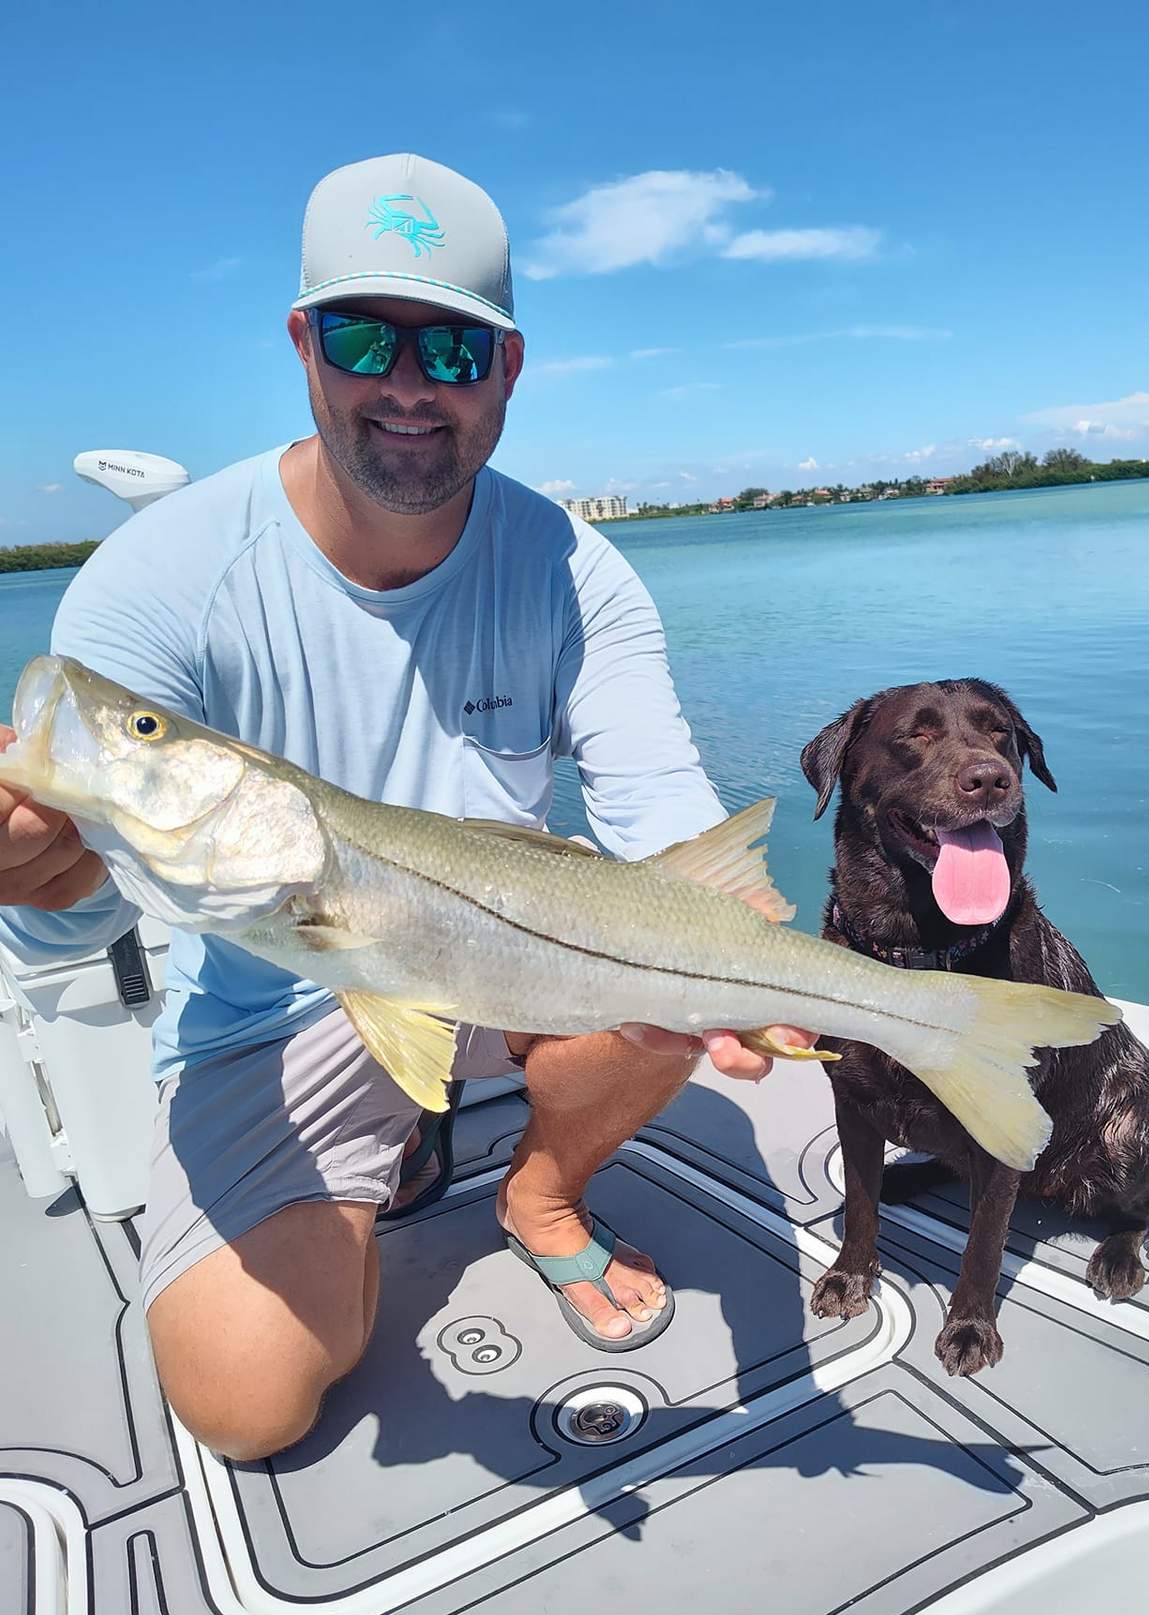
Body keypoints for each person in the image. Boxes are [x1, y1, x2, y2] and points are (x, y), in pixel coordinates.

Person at [0, 153, 810, 1462]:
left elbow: (664, 812)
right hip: (269, 1003)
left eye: (455, 349)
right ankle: (377, 1159)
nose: (409, 386)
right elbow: (64, 922)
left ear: (510, 366)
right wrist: (35, 879)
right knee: (247, 1406)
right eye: (366, 336)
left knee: (667, 968)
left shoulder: (570, 568)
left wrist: (767, 961)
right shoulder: (151, 589)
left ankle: (540, 1197)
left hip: (505, 959)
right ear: (303, 344)